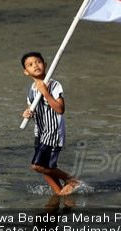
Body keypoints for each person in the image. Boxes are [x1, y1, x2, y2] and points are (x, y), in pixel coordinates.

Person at [21, 51, 78, 195]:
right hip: (39, 132)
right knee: (46, 167)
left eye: (38, 62)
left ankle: (70, 179)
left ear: (45, 65)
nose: (35, 65)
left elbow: (60, 109)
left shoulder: (54, 85)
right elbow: (31, 108)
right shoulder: (31, 90)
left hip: (53, 133)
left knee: (37, 166)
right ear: (26, 72)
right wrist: (27, 113)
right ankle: (59, 193)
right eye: (30, 64)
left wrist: (46, 93)